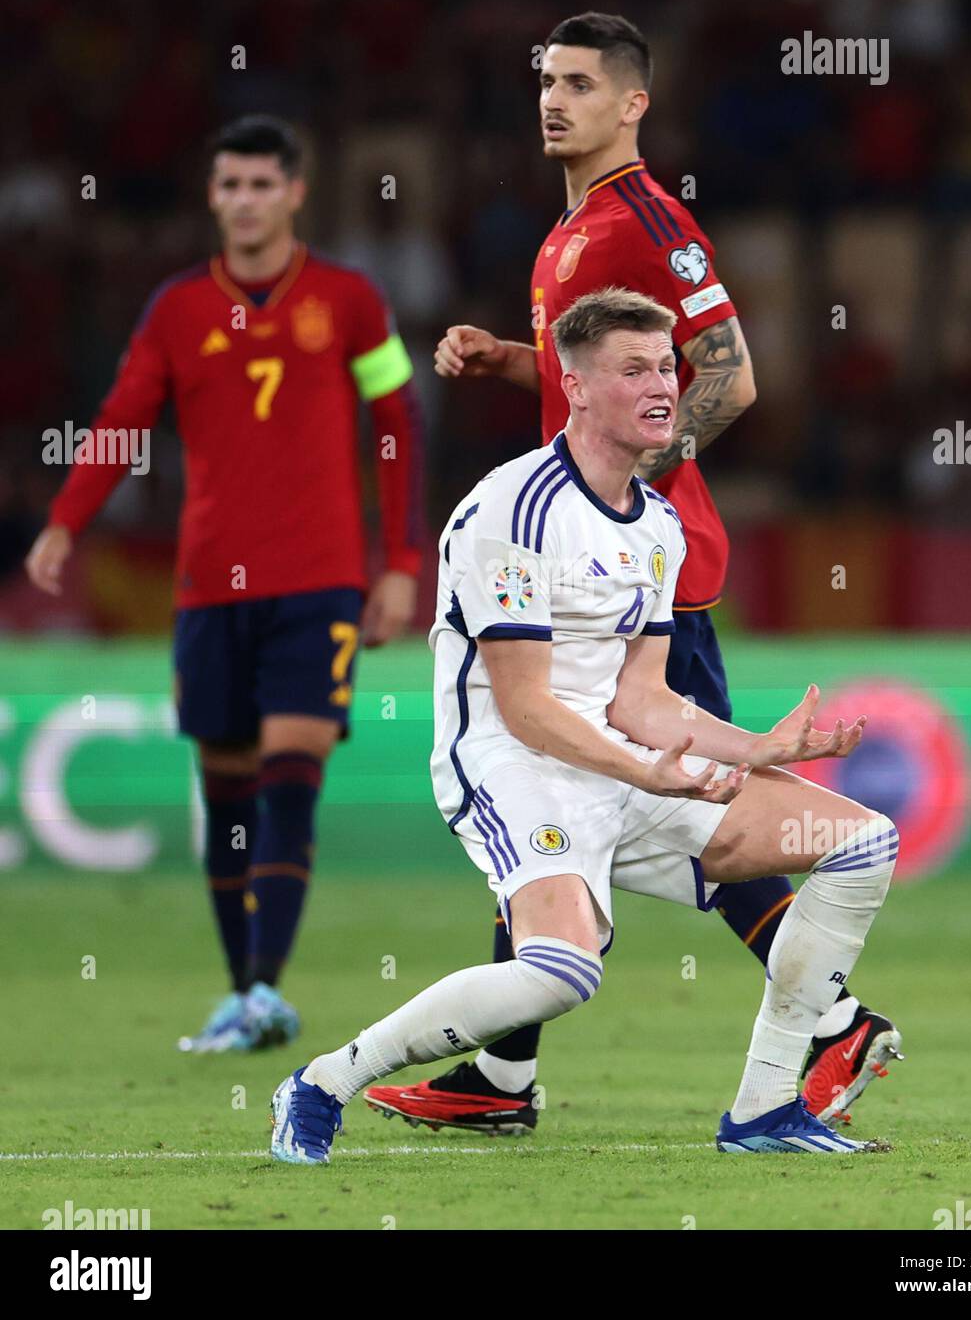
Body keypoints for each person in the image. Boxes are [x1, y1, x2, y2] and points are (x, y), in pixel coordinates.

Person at [365, 12, 901, 1134]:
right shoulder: (566, 234)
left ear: (632, 104)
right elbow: (591, 396)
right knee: (547, 791)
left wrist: (638, 474)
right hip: (593, 553)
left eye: (578, 83)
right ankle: (502, 1079)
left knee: (689, 811)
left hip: (645, 573)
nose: (553, 100)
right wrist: (515, 363)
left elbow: (734, 380)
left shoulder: (650, 222)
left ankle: (835, 1018)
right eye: (545, 81)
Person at [270, 287, 897, 1165]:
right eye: (633, 368)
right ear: (573, 387)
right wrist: (648, 773)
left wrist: (759, 749)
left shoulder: (659, 526)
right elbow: (525, 706)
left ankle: (763, 1112)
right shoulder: (512, 510)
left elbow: (640, 698)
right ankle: (325, 1081)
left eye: (668, 367)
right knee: (564, 975)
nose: (664, 386)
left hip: (618, 760)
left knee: (862, 841)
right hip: (512, 763)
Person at [25, 115, 424, 1051]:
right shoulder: (175, 310)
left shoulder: (351, 301)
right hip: (210, 588)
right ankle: (242, 986)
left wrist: (400, 563)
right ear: (213, 196)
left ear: (294, 192)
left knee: (293, 774)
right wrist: (65, 521)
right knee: (227, 786)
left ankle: (263, 992)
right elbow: (124, 418)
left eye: (260, 184)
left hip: (319, 581)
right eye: (229, 185)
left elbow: (397, 423)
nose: (244, 200)